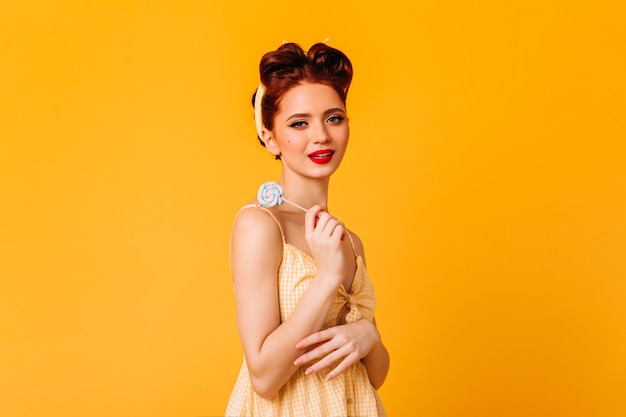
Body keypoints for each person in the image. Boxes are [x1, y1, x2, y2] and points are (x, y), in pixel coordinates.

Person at [225, 41, 389, 416]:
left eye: (334, 118)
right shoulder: (260, 225)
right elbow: (264, 378)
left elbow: (375, 375)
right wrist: (328, 275)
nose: (321, 136)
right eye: (299, 123)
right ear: (269, 136)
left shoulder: (349, 241)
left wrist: (369, 337)